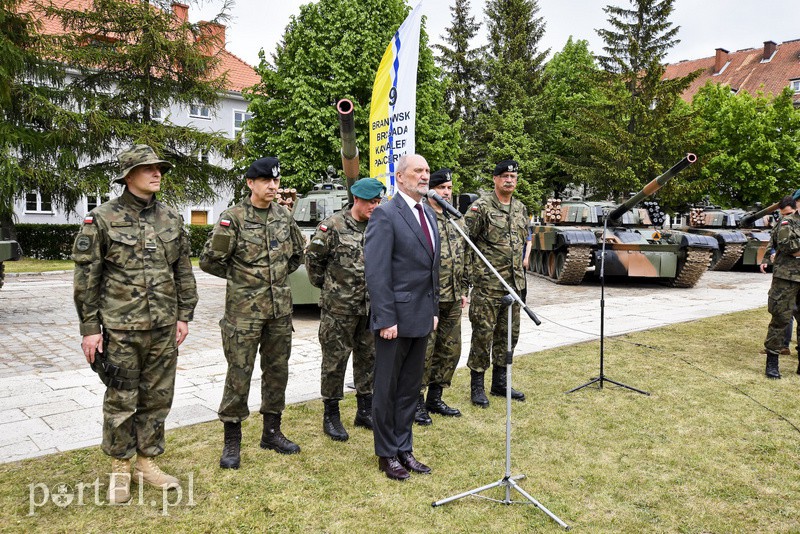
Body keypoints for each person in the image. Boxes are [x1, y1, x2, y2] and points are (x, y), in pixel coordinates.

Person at [72, 144, 198, 504]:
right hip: (120, 329)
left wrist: (184, 315)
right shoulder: (102, 219)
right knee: (121, 399)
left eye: (159, 168)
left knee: (158, 398)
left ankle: (146, 462)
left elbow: (182, 271)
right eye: (149, 169)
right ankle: (120, 468)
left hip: (162, 327)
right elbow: (86, 280)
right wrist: (90, 329)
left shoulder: (171, 218)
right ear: (128, 176)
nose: (157, 173)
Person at [199, 156, 305, 468]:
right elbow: (209, 260)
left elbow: (298, 254)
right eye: (266, 181)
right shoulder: (233, 218)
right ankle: (232, 441)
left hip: (279, 312)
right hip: (243, 314)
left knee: (277, 371)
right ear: (250, 184)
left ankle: (272, 432)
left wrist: (276, 278)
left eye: (275, 180)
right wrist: (244, 279)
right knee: (239, 374)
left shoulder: (283, 217)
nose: (273, 186)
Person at [365, 154, 439, 481]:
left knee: (410, 388)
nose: (424, 176)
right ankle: (386, 454)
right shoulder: (385, 214)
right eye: (417, 171)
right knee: (387, 389)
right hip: (394, 320)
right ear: (400, 177)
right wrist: (385, 318)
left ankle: (404, 448)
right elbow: (377, 272)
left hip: (421, 316)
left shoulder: (429, 214)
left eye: (426, 171)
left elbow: (431, 270)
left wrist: (434, 310)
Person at [305, 178, 385, 441]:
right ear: (357, 200)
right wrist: (331, 288)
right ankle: (331, 414)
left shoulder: (380, 225)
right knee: (334, 362)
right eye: (371, 201)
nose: (376, 205)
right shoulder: (332, 226)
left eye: (378, 201)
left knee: (369, 360)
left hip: (370, 308)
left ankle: (365, 411)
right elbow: (314, 263)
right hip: (338, 309)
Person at [464, 159, 529, 407]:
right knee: (483, 335)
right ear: (495, 179)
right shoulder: (480, 208)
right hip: (487, 285)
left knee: (509, 336)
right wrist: (468, 278)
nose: (509, 180)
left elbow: (521, 243)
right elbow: (465, 243)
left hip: (513, 285)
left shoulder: (520, 209)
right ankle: (477, 387)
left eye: (513, 177)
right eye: (504, 176)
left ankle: (500, 383)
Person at [415, 168, 468, 425]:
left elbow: (465, 257)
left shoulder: (455, 219)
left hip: (454, 296)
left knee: (450, 349)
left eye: (450, 188)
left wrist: (464, 290)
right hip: (429, 297)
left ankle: (435, 398)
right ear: (431, 190)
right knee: (424, 351)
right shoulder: (421, 216)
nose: (447, 192)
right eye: (443, 188)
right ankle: (415, 402)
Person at [763, 195, 800, 378]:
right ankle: (772, 362)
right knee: (780, 319)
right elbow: (787, 246)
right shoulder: (788, 222)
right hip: (787, 278)